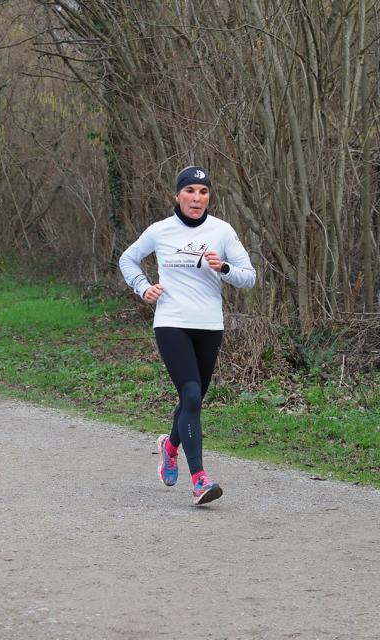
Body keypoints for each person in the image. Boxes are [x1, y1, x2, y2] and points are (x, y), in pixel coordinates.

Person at [119, 166, 256, 505]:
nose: (197, 198)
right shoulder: (160, 230)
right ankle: (199, 481)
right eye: (190, 191)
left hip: (209, 325)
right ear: (177, 195)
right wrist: (143, 287)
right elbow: (128, 259)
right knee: (191, 395)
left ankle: (170, 446)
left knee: (191, 401)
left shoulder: (222, 231)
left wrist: (224, 268)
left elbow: (249, 277)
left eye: (203, 191)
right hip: (171, 321)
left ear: (209, 196)